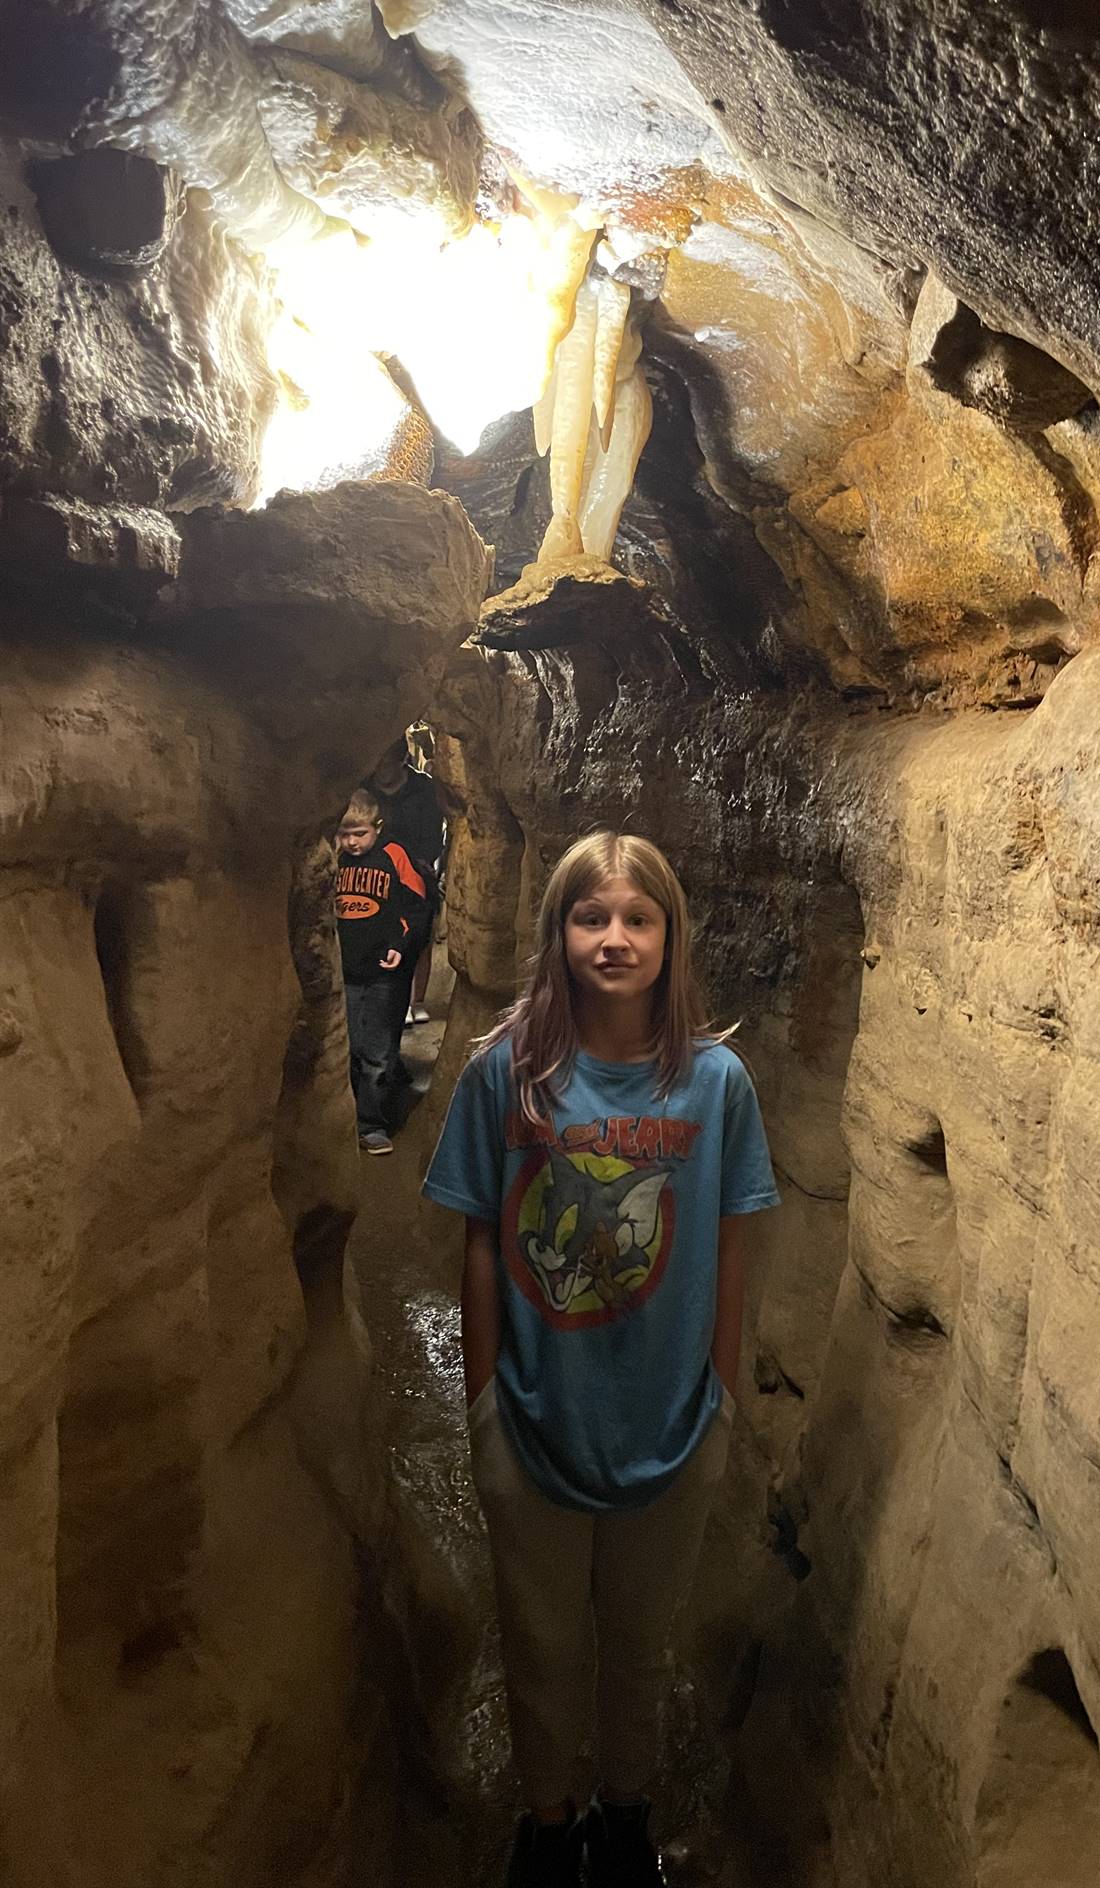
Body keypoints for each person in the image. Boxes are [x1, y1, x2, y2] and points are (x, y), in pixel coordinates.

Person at [422, 831, 779, 1888]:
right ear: (559, 932)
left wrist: (717, 1395)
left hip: (671, 1419)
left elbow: (730, 1244)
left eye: (637, 919)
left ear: (670, 938)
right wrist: (485, 1403)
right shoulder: (508, 1074)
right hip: (535, 1414)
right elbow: (484, 1237)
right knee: (539, 1640)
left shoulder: (715, 1086)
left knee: (638, 1642)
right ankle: (549, 1816)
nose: (614, 940)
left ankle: (624, 1813)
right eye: (591, 917)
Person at [334, 791, 429, 1156]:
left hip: (382, 972)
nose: (352, 842)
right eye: (345, 834)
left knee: (378, 1050)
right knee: (348, 1046)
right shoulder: (335, 859)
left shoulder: (394, 857)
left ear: (377, 827)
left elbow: (416, 906)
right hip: (345, 968)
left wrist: (400, 945)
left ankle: (371, 1123)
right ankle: (347, 1114)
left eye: (359, 833)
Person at [364, 734, 446, 1024]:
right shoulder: (365, 788)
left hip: (416, 871)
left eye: (386, 763)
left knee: (419, 936)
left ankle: (416, 1000)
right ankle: (387, 998)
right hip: (377, 872)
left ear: (401, 760)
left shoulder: (422, 788)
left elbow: (433, 834)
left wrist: (420, 868)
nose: (379, 769)